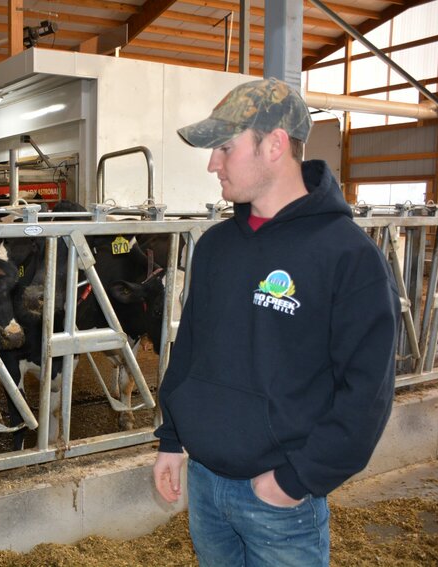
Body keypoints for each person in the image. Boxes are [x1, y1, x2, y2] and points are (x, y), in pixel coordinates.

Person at [152, 77, 399, 566]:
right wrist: (173, 439)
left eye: (224, 147)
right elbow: (191, 348)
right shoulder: (216, 247)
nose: (212, 163)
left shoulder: (347, 254)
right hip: (204, 484)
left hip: (280, 500)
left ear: (275, 144)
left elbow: (367, 391)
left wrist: (296, 481)